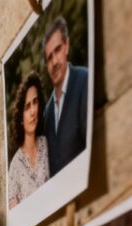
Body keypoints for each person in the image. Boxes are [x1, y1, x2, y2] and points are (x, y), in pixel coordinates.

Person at [43, 16, 89, 177]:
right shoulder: (47, 113)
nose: (54, 61)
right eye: (49, 58)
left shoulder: (85, 81)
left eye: (58, 50)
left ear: (67, 46)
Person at [8, 71, 50, 209]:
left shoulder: (46, 144)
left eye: (35, 102)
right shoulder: (15, 165)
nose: (33, 111)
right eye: (27, 107)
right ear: (20, 117)